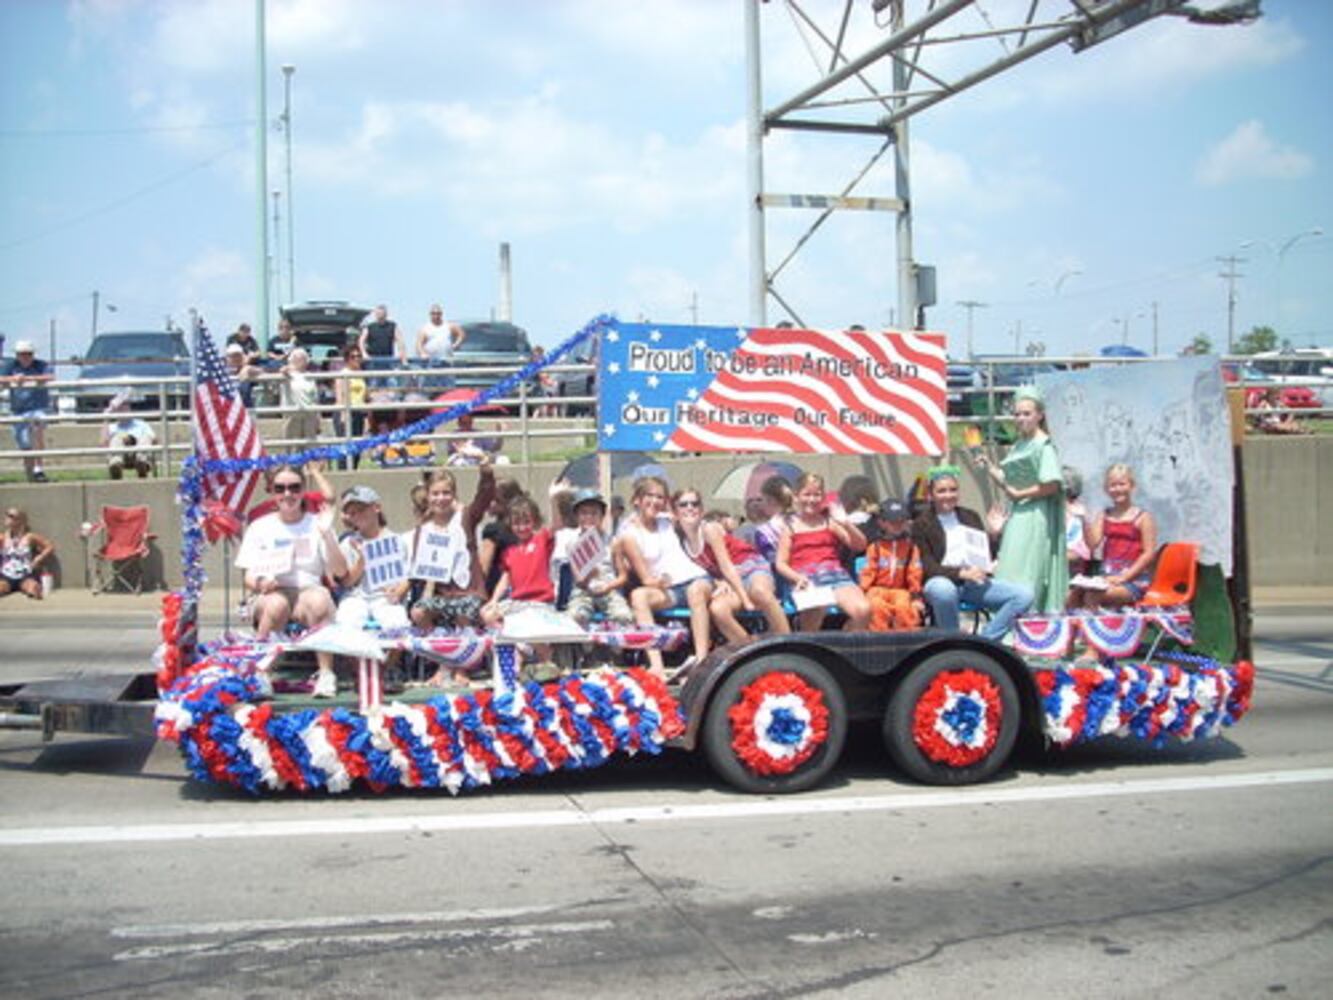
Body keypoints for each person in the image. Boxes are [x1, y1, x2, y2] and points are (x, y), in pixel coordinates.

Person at [234, 465, 349, 698]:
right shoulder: (260, 527)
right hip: (272, 592)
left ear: (303, 490)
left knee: (319, 600)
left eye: (294, 488)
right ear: (272, 492)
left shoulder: (318, 523)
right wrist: (260, 583)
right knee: (276, 605)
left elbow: (340, 571)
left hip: (308, 589)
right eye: (281, 488)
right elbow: (247, 576)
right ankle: (261, 672)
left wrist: (328, 535)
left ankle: (326, 674)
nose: (288, 494)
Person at [974, 385, 1068, 614]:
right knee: (1010, 566)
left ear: (1039, 415)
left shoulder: (1043, 445)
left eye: (1026, 414)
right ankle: (1008, 619)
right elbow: (1009, 482)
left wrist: (1021, 495)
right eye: (1017, 414)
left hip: (1036, 513)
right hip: (1018, 512)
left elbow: (1053, 483)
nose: (1020, 419)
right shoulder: (1019, 444)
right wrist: (989, 466)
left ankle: (1030, 619)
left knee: (1028, 568)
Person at [913, 465, 1032, 641]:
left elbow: (985, 556)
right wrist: (960, 573)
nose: (948, 495)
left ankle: (985, 642)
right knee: (944, 590)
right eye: (942, 491)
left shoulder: (970, 516)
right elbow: (927, 566)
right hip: (940, 581)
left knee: (1023, 595)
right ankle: (953, 641)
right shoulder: (921, 524)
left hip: (972, 582)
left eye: (953, 490)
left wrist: (993, 534)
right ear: (931, 495)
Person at [619, 475, 714, 677]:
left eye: (660, 497)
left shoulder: (669, 522)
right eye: (649, 496)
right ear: (637, 499)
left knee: (695, 590)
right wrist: (659, 582)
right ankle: (656, 664)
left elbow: (699, 535)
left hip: (695, 579)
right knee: (639, 596)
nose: (655, 501)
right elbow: (646, 579)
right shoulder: (629, 534)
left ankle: (702, 661)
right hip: (667, 588)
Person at [407, 467, 496, 675]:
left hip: (469, 592)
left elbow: (485, 495)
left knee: (462, 612)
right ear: (428, 497)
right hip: (443, 594)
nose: (441, 498)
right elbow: (422, 567)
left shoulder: (465, 517)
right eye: (436, 493)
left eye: (446, 493)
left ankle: (460, 669)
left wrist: (485, 468)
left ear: (454, 495)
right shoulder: (424, 529)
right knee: (418, 612)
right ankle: (443, 661)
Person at [673, 489, 789, 639]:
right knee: (718, 610)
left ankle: (787, 641)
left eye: (694, 504)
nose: (690, 508)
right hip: (731, 580)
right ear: (675, 511)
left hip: (750, 567)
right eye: (683, 504)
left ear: (701, 510)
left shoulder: (709, 529)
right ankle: (750, 651)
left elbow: (726, 565)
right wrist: (719, 581)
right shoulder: (682, 542)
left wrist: (745, 599)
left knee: (760, 592)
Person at [775, 472, 870, 631]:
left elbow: (860, 545)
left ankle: (844, 641)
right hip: (807, 578)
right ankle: (806, 636)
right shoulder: (790, 526)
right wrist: (797, 578)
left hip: (835, 576)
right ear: (797, 496)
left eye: (817, 495)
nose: (812, 500)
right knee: (816, 609)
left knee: (863, 610)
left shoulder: (829, 522)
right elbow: (780, 563)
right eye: (807, 494)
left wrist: (846, 523)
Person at [1076, 463, 1159, 610]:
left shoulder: (1143, 517)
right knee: (1074, 594)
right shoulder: (1104, 515)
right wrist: (1084, 520)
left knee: (1092, 596)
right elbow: (1092, 543)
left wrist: (1124, 578)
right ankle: (1074, 632)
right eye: (1113, 485)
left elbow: (1149, 553)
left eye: (1122, 484)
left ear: (1132, 486)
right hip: (1107, 577)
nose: (1117, 489)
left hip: (1134, 581)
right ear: (1106, 489)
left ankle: (1096, 632)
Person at [551, 485, 634, 628]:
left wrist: (608, 587)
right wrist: (589, 573)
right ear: (577, 516)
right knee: (576, 616)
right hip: (583, 592)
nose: (589, 517)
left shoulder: (612, 541)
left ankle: (614, 649)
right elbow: (579, 580)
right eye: (584, 513)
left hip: (609, 590)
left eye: (594, 513)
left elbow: (623, 576)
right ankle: (584, 648)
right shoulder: (573, 543)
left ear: (602, 516)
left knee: (623, 616)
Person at [334, 485, 411, 633]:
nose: (357, 516)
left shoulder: (397, 541)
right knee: (345, 623)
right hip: (356, 597)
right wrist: (363, 559)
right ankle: (357, 657)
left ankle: (390, 658)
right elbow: (347, 582)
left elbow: (408, 577)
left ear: (376, 508)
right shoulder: (348, 543)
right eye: (352, 513)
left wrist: (399, 591)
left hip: (386, 598)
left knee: (398, 625)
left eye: (361, 510)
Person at [859, 498, 924, 632]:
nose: (898, 525)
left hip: (901, 590)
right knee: (876, 606)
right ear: (882, 523)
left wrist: (916, 597)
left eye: (902, 521)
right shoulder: (875, 547)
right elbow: (868, 571)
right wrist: (863, 591)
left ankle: (906, 641)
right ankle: (879, 640)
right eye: (893, 522)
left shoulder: (911, 548)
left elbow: (915, 573)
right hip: (876, 589)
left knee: (903, 607)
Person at [1, 340, 54, 482]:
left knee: (38, 427)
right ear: (17, 355)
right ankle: (31, 474)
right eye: (22, 354)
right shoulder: (10, 366)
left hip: (38, 407)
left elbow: (50, 376)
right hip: (18, 410)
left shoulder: (41, 364)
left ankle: (39, 469)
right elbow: (1, 379)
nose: (25, 357)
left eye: (28, 354)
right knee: (24, 443)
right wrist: (13, 379)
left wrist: (28, 378)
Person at [1, 508, 55, 600]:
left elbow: (50, 546)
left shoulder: (30, 537)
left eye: (11, 516)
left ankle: (33, 590)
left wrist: (39, 558)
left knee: (32, 588)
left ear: (20, 520)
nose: (7, 518)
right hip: (6, 576)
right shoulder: (2, 538)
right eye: (7, 515)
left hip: (25, 575)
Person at [101, 391, 156, 479]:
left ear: (129, 407)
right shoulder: (111, 427)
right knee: (116, 438)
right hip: (121, 456)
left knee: (146, 436)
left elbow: (154, 440)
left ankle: (142, 465)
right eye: (119, 406)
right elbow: (104, 445)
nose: (122, 408)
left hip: (138, 453)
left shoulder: (141, 424)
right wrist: (106, 418)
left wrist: (136, 441)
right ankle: (116, 467)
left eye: (125, 405)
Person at [332, 344, 368, 469]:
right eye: (353, 357)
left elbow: (364, 395)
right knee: (345, 447)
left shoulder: (361, 374)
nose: (357, 359)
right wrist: (343, 413)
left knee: (357, 447)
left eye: (359, 356)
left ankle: (354, 471)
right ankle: (343, 473)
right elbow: (339, 394)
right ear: (347, 359)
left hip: (358, 412)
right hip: (346, 412)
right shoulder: (343, 373)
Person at [415, 303, 465, 391]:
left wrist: (456, 345)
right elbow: (419, 344)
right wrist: (423, 353)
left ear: (441, 314)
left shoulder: (448, 326)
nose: (436, 316)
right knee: (430, 389)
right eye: (434, 313)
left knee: (448, 389)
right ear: (430, 315)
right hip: (431, 364)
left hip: (446, 362)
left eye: (438, 313)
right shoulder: (425, 328)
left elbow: (461, 333)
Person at [280, 347, 322, 444]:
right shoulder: (288, 374)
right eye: (296, 357)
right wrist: (289, 368)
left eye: (302, 358)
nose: (299, 360)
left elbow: (315, 398)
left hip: (310, 415)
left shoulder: (310, 376)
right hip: (292, 415)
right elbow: (283, 371)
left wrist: (318, 418)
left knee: (310, 447)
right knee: (293, 447)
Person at [358, 304, 406, 376]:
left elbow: (400, 341)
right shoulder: (370, 327)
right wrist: (364, 354)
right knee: (373, 383)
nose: (380, 315)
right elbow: (361, 341)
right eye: (378, 313)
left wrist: (402, 354)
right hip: (373, 361)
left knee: (390, 383)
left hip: (388, 360)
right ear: (375, 314)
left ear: (386, 314)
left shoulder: (392, 326)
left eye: (382, 313)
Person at [224, 343, 260, 408]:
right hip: (226, 408)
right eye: (232, 356)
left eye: (238, 355)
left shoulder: (247, 369)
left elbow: (263, 370)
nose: (236, 358)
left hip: (244, 409)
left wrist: (248, 368)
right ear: (227, 357)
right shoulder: (220, 371)